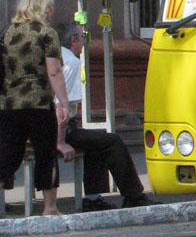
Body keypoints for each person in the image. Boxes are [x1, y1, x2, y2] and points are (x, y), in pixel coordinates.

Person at [56, 22, 153, 211]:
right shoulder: (71, 61)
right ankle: (133, 195)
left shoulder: (55, 56)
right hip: (58, 130)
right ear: (73, 40)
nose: (85, 40)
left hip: (48, 127)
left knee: (96, 142)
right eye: (83, 36)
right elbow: (60, 107)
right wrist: (61, 141)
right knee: (112, 141)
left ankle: (92, 198)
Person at [0, 0, 69, 216]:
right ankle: (49, 207)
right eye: (50, 5)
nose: (51, 10)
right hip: (39, 104)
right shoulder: (46, 33)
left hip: (9, 105)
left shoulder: (7, 32)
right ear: (43, 7)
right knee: (46, 155)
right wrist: (64, 102)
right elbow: (54, 72)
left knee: (8, 155)